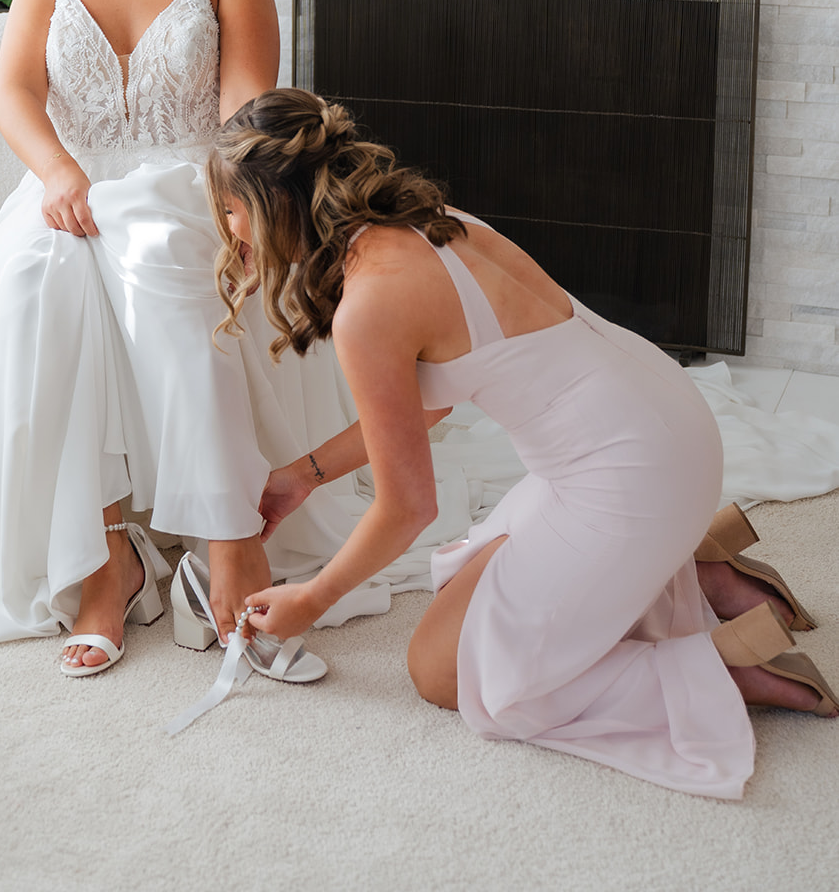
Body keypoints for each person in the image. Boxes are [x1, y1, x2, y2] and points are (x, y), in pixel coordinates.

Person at [208, 88, 837, 798]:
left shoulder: (370, 301)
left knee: (445, 675)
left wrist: (311, 599)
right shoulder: (427, 222)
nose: (230, 231)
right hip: (667, 423)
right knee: (470, 593)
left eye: (231, 210)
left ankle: (721, 666)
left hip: (631, 474)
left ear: (273, 204)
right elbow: (434, 406)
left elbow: (407, 507)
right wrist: (305, 474)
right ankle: (705, 566)